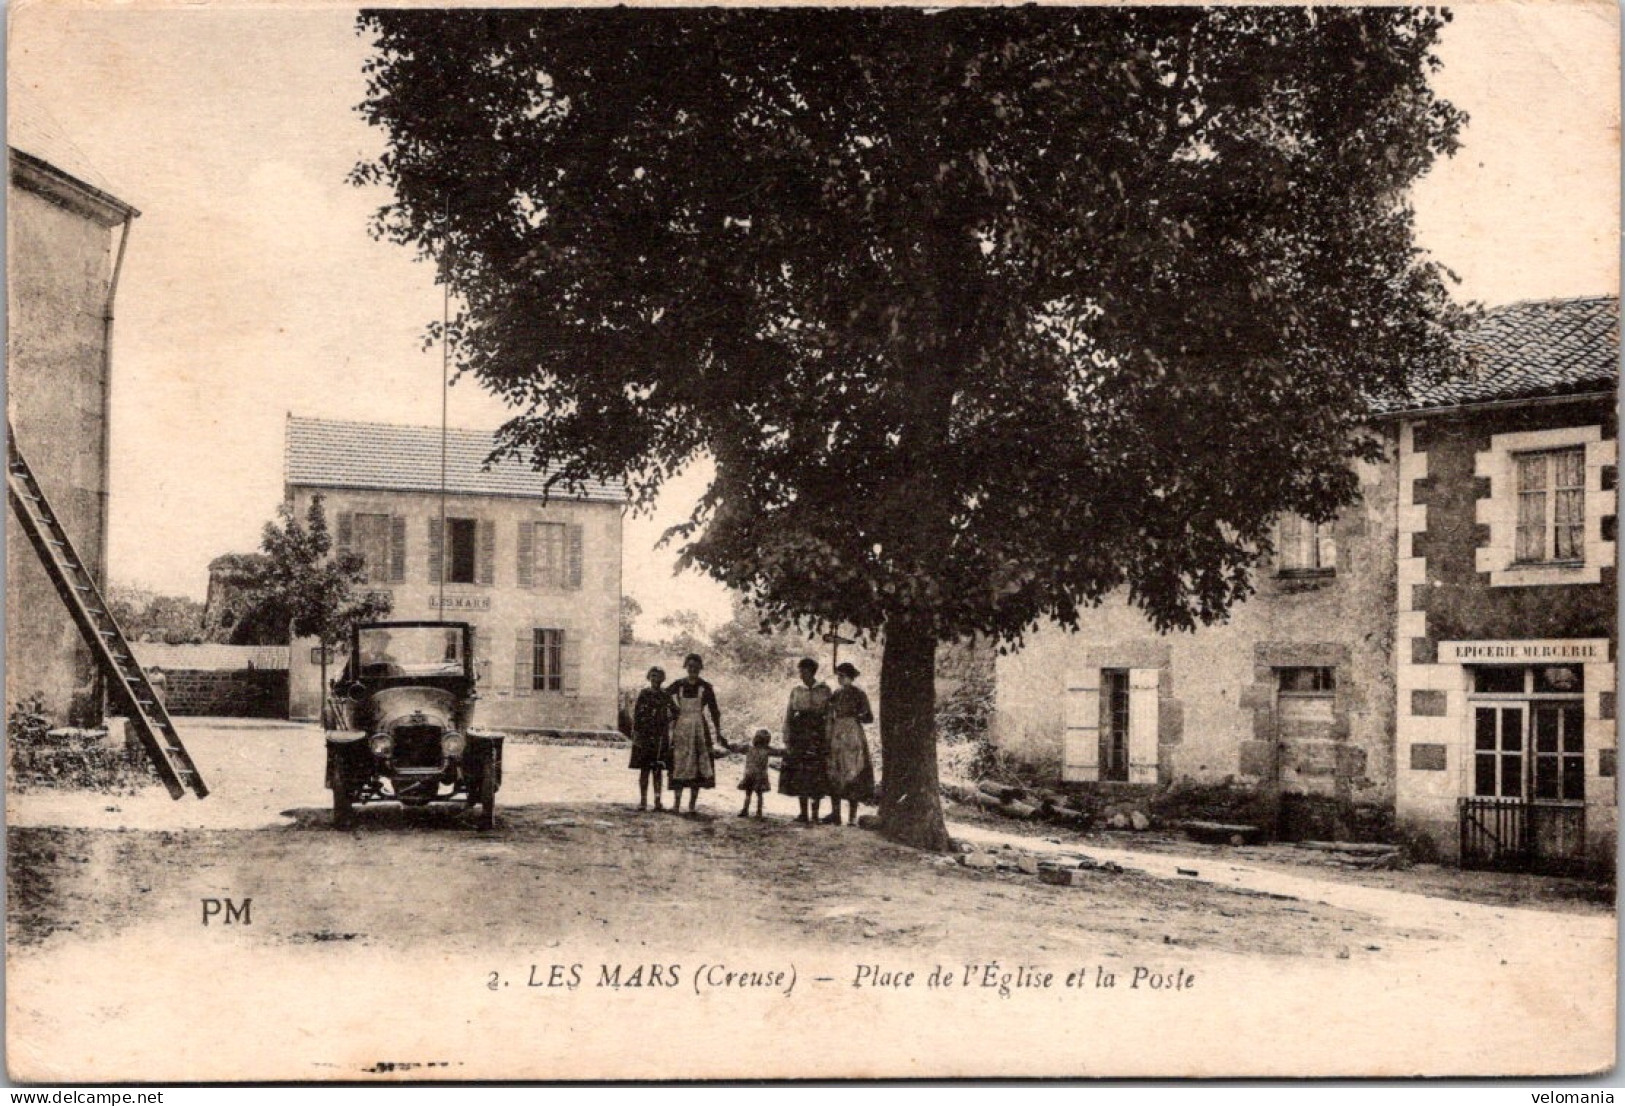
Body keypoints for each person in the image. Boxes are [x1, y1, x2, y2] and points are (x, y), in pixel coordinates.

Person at [666, 653, 723, 814]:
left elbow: (714, 710)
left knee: (697, 762)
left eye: (696, 667)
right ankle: (676, 804)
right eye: (690, 666)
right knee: (680, 761)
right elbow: (664, 696)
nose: (693, 669)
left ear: (700, 668)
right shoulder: (678, 684)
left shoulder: (706, 687)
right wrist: (674, 709)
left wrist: (718, 731)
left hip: (699, 728)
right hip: (682, 727)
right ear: (686, 667)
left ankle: (691, 805)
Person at [778, 657, 832, 825]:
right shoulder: (796, 690)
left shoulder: (824, 690)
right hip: (799, 732)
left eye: (804, 671)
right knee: (800, 771)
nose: (801, 674)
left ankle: (815, 814)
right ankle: (803, 813)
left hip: (817, 732)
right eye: (800, 671)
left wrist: (829, 736)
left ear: (812, 671)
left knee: (816, 772)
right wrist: (787, 736)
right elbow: (789, 713)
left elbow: (829, 715)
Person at [824, 661, 876, 826]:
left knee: (853, 771)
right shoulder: (836, 694)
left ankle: (852, 817)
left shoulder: (859, 694)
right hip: (837, 734)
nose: (840, 679)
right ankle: (836, 814)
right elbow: (828, 711)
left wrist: (854, 718)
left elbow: (869, 717)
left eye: (843, 676)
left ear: (850, 677)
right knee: (835, 770)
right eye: (838, 676)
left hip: (852, 736)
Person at [628, 667, 676, 811]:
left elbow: (675, 711)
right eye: (653, 676)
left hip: (660, 736)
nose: (656, 679)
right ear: (649, 677)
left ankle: (657, 801)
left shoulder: (665, 695)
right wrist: (636, 732)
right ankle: (643, 801)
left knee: (657, 769)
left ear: (663, 679)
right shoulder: (644, 693)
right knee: (644, 769)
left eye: (659, 676)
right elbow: (637, 714)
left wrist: (667, 719)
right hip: (645, 735)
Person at [736, 728, 786, 819]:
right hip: (760, 775)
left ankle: (745, 810)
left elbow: (736, 748)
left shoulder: (749, 748)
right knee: (759, 794)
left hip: (749, 774)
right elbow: (780, 752)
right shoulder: (767, 750)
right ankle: (759, 812)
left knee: (748, 793)